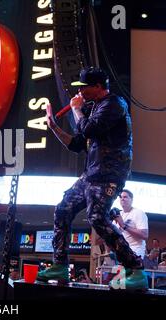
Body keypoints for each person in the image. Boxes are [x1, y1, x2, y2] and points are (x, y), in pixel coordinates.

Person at [38, 67, 148, 290]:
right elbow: (77, 144)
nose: (80, 92)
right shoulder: (95, 107)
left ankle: (135, 268)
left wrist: (77, 110)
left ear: (98, 87)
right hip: (91, 174)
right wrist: (53, 126)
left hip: (109, 174)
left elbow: (89, 129)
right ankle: (60, 264)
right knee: (62, 209)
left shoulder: (114, 104)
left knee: (97, 217)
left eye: (84, 87)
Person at [112, 190, 148, 258]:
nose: (122, 199)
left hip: (135, 250)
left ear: (131, 200)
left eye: (125, 197)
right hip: (121, 250)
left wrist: (124, 225)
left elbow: (145, 235)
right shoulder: (118, 214)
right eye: (121, 197)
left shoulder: (139, 213)